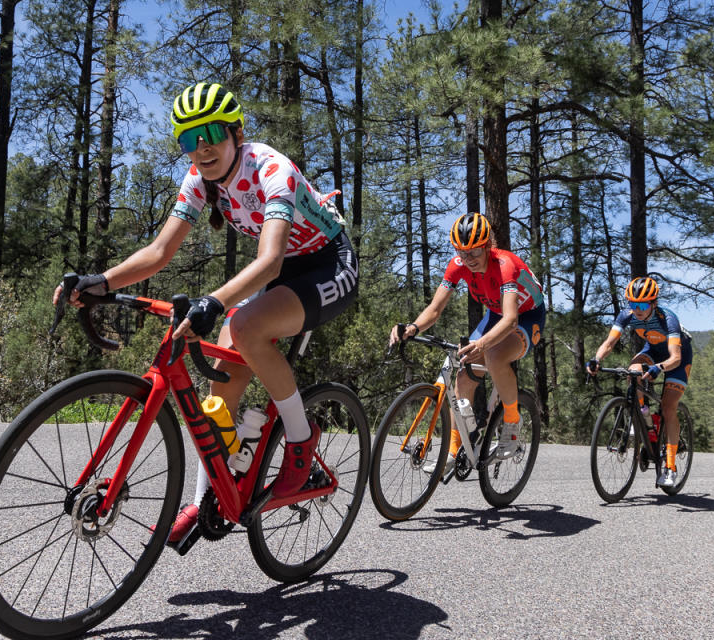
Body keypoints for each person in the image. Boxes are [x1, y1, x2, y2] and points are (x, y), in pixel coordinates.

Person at [55, 81, 358, 546]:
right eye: (188, 140)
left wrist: (214, 303)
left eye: (212, 132)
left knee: (243, 324)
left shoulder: (270, 168)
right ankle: (205, 500)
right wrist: (101, 282)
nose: (202, 147)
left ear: (236, 131)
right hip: (278, 272)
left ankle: (300, 439)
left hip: (325, 263)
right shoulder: (199, 179)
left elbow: (271, 260)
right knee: (220, 378)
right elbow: (159, 252)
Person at [388, 212, 545, 475]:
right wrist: (413, 327)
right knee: (461, 373)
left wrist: (482, 345)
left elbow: (510, 320)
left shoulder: (506, 264)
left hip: (527, 316)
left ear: (487, 246)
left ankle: (511, 425)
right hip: (495, 314)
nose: (468, 258)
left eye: (474, 252)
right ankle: (454, 448)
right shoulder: (457, 264)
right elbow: (435, 309)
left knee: (494, 356)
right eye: (462, 251)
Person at [585, 276, 693, 488]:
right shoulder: (627, 315)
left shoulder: (667, 319)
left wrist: (659, 368)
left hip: (677, 357)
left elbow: (675, 357)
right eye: (633, 304)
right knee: (632, 371)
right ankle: (643, 415)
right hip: (651, 350)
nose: (638, 309)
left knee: (668, 407)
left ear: (653, 303)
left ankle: (670, 467)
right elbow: (609, 343)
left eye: (643, 304)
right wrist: (597, 359)